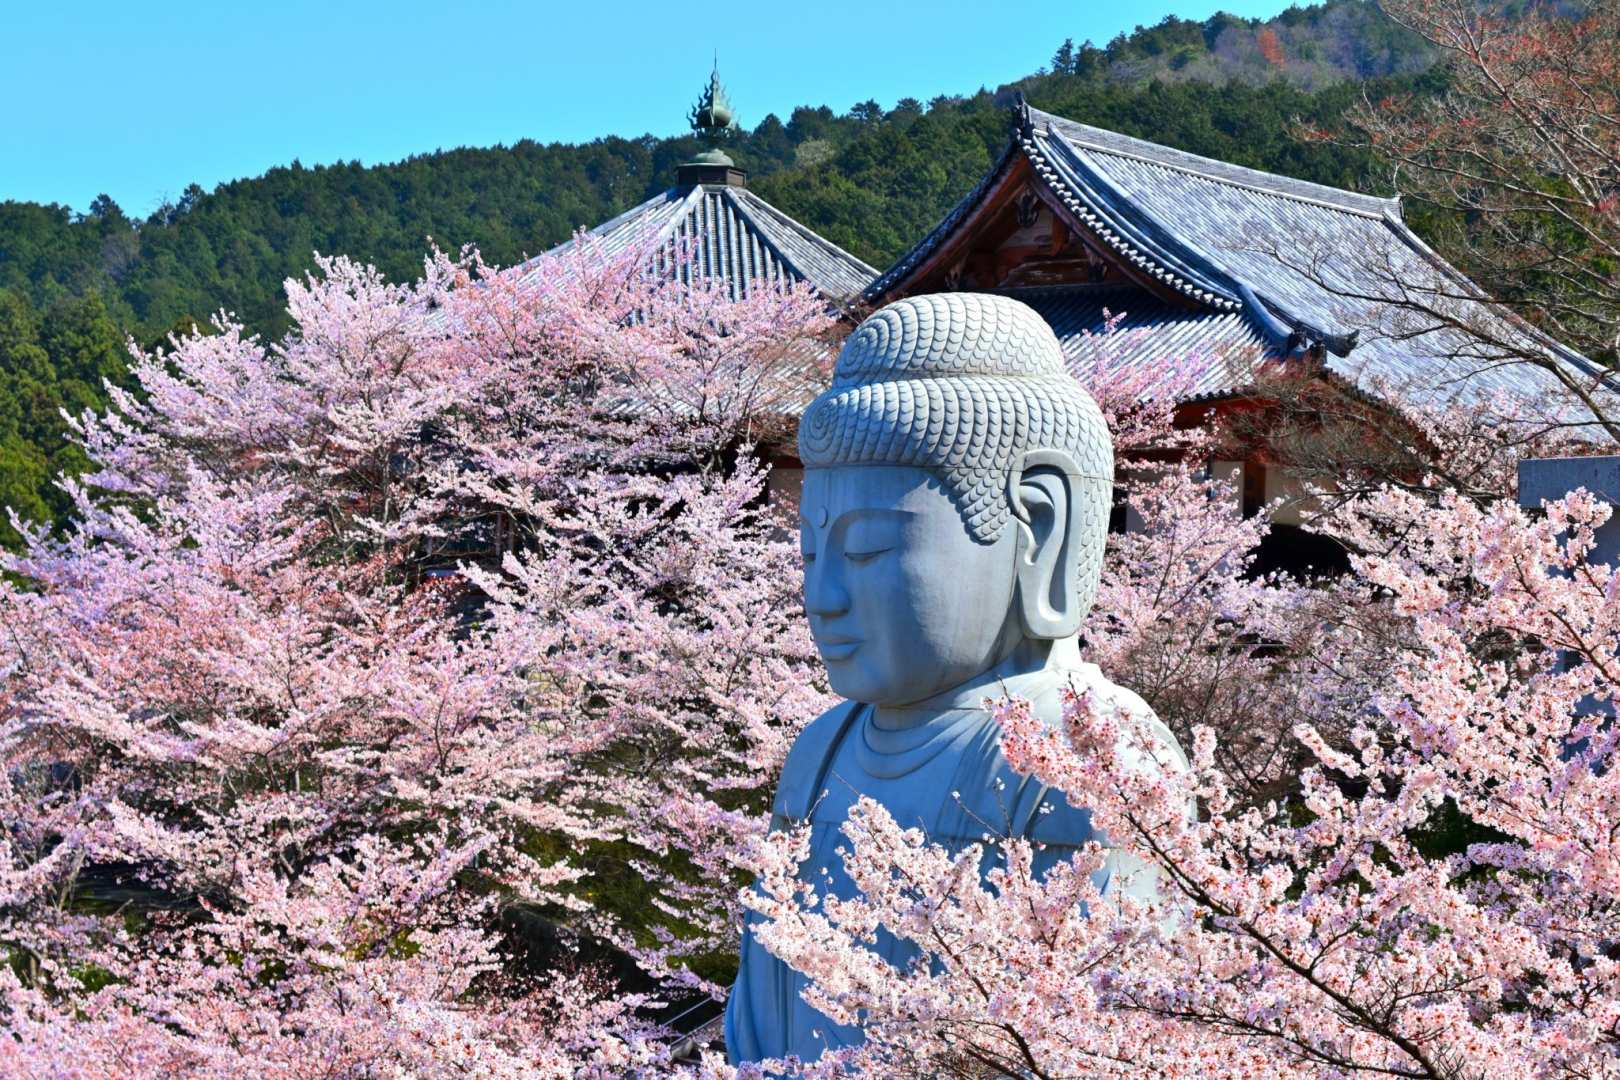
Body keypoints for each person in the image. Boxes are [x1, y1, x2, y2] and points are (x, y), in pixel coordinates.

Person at [724, 292, 1187, 1065]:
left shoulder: (1082, 755)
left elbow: (1106, 1040)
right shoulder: (820, 752)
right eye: (811, 553)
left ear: (1038, 526)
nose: (825, 595)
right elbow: (758, 1012)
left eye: (868, 549)